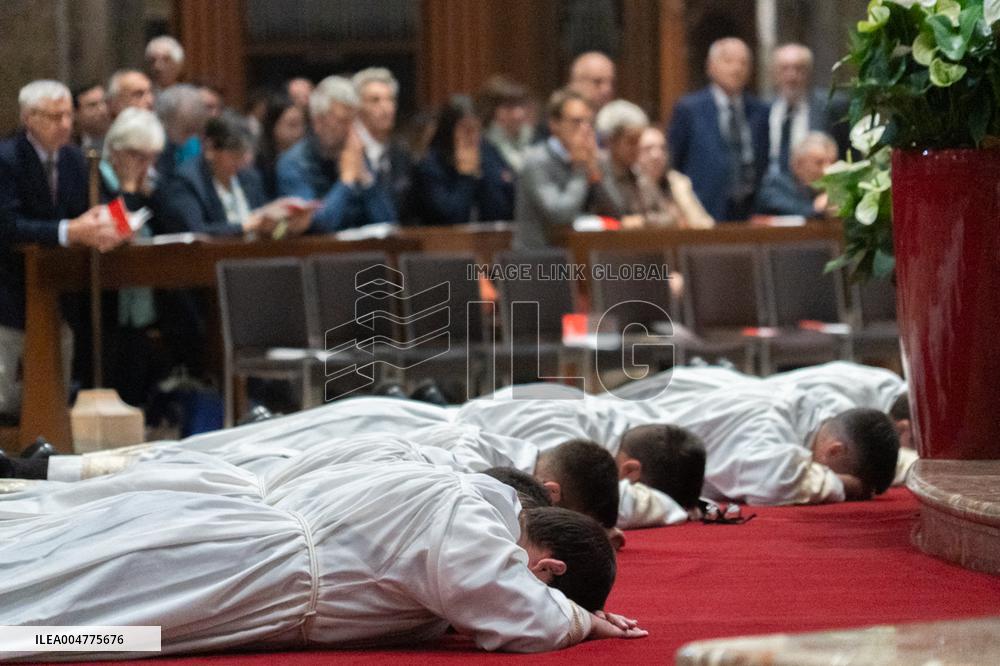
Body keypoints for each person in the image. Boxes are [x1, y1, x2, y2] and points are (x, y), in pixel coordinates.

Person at [0, 458, 642, 658]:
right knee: (78, 626)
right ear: (548, 568)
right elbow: (518, 619)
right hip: (240, 571)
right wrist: (579, 619)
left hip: (225, 540)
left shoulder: (452, 481)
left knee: (58, 574)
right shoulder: (469, 521)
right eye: (542, 582)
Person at [0, 80, 126, 410]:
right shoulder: (7, 158)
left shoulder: (73, 158)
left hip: (61, 292)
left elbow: (98, 205)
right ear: (28, 118)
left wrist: (116, 224)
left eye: (69, 115)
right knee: (7, 398)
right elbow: (9, 226)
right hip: (12, 291)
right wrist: (72, 230)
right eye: (54, 117)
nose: (65, 124)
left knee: (55, 394)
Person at [156, 111, 312, 238]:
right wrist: (245, 226)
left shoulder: (249, 178)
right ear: (210, 149)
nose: (241, 162)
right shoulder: (186, 181)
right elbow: (195, 232)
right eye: (234, 155)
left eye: (243, 154)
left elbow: (267, 233)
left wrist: (286, 227)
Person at [277, 76, 397, 232]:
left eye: (353, 121)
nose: (350, 130)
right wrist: (346, 181)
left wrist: (367, 181)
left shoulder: (354, 155)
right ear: (318, 122)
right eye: (342, 121)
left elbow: (388, 222)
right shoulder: (293, 163)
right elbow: (317, 226)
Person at [668, 37, 769, 221]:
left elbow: (763, 161)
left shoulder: (760, 111)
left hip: (750, 210)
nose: (736, 68)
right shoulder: (689, 109)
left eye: (743, 63)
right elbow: (675, 163)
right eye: (728, 61)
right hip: (704, 210)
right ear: (710, 66)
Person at [513, 88, 618, 248]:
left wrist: (595, 174)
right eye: (576, 122)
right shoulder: (536, 160)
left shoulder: (594, 157)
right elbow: (560, 215)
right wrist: (580, 170)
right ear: (554, 124)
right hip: (538, 260)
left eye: (589, 122)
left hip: (583, 254)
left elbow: (616, 212)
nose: (585, 129)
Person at [412, 94, 515, 225]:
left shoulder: (488, 152)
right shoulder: (430, 164)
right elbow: (450, 217)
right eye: (466, 129)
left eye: (477, 129)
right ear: (449, 130)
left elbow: (503, 211)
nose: (473, 137)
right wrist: (466, 177)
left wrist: (483, 177)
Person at [768, 43, 848, 173]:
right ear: (774, 73)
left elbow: (849, 155)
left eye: (798, 68)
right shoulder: (764, 110)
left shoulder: (832, 106)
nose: (791, 76)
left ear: (809, 72)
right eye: (784, 68)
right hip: (774, 189)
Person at [351, 67, 415, 222]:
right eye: (375, 100)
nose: (386, 108)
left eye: (390, 99)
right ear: (357, 107)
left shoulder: (401, 152)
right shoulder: (346, 149)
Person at [634, 126, 714, 228]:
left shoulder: (677, 182)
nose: (657, 155)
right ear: (634, 152)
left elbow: (704, 224)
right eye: (648, 148)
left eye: (662, 148)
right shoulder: (630, 183)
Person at [755, 131, 837, 217]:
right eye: (818, 163)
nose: (827, 170)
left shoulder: (835, 189)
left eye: (832, 163)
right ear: (798, 164)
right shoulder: (775, 186)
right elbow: (787, 210)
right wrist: (816, 208)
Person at [480, 75, 536, 173]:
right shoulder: (483, 145)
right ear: (492, 110)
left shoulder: (537, 138)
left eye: (521, 105)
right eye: (509, 107)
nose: (518, 114)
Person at [153, 83, 208, 183]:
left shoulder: (198, 145)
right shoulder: (153, 149)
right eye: (188, 130)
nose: (193, 137)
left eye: (197, 130)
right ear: (165, 122)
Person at [256, 93, 307, 197]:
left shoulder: (308, 158)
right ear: (273, 127)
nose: (300, 132)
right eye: (292, 125)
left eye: (302, 124)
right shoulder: (258, 164)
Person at [72, 82, 110, 153]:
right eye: (93, 105)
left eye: (105, 102)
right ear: (76, 114)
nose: (102, 109)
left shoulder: (123, 140)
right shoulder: (70, 145)